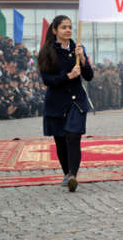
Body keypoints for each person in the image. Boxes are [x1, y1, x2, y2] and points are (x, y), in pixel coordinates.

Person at [38, 15, 94, 192]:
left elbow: (89, 76)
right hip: (56, 102)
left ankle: (73, 176)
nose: (68, 30)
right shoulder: (47, 51)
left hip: (76, 101)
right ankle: (66, 172)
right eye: (63, 27)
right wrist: (68, 76)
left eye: (70, 27)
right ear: (55, 30)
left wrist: (83, 61)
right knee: (61, 140)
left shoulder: (78, 49)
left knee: (73, 136)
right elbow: (47, 80)